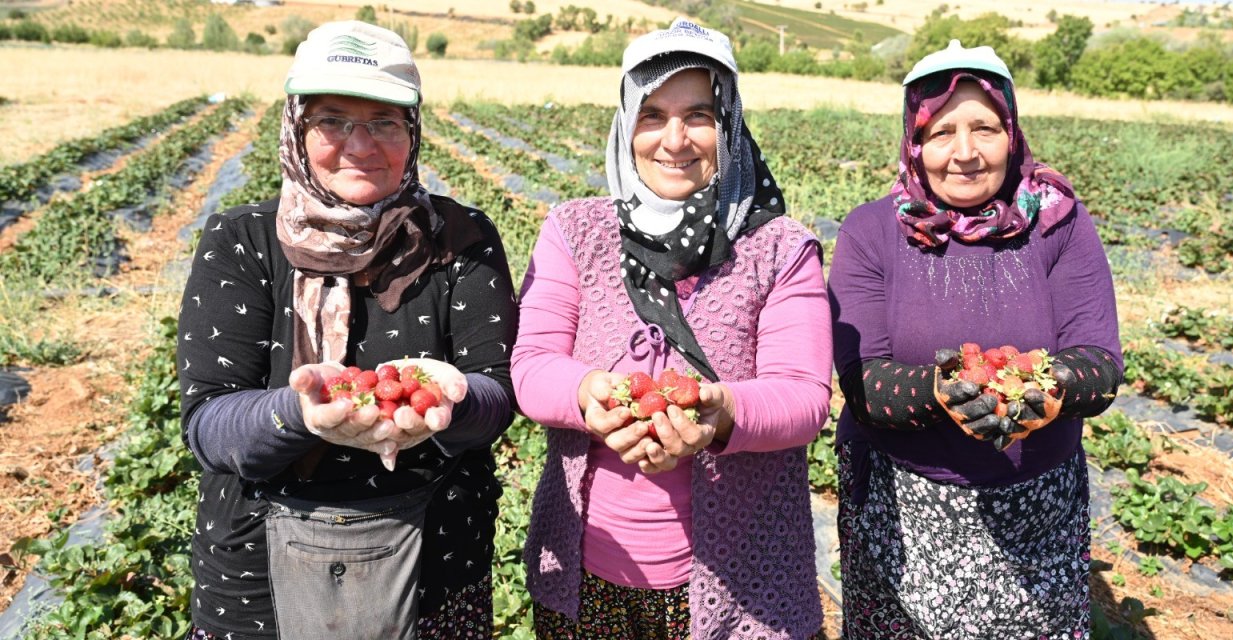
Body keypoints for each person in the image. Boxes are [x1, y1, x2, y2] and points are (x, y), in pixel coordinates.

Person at [176, 21, 518, 640]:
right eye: (332, 120)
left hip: (435, 561)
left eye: (385, 122)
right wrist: (298, 414)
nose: (360, 145)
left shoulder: (462, 240)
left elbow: (496, 395)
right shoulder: (242, 242)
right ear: (297, 128)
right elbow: (207, 421)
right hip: (256, 579)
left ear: (412, 134)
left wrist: (454, 399)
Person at [511, 19, 832, 640]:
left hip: (740, 583)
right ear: (626, 121)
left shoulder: (778, 247)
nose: (675, 139)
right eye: (652, 113)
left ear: (730, 123)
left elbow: (803, 395)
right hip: (589, 571)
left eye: (700, 115)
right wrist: (590, 395)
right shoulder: (576, 231)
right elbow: (531, 365)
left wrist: (721, 413)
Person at [827, 39, 1124, 639]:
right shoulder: (870, 232)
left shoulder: (1058, 223)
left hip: (1036, 504)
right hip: (902, 509)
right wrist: (941, 391)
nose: (964, 153)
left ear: (1011, 132)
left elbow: (1100, 359)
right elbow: (861, 381)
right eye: (940, 132)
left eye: (984, 128)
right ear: (914, 141)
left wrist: (1049, 388)